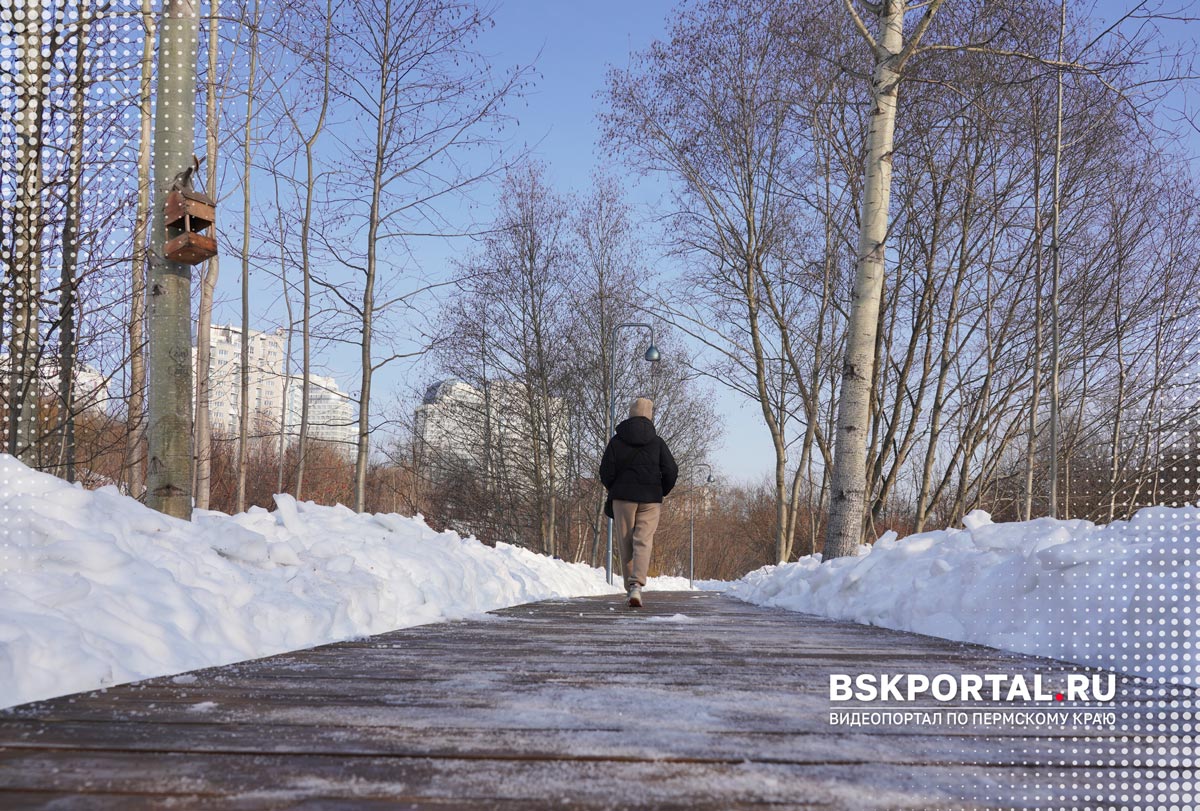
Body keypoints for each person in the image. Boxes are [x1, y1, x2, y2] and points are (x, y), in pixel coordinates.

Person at [599, 397, 678, 607]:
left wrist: (615, 488)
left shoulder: (616, 441)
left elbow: (605, 471)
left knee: (625, 542)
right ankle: (637, 585)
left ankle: (630, 589)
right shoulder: (657, 442)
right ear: (650, 416)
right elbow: (671, 470)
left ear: (630, 414)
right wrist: (661, 491)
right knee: (643, 541)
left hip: (622, 497)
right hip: (650, 498)